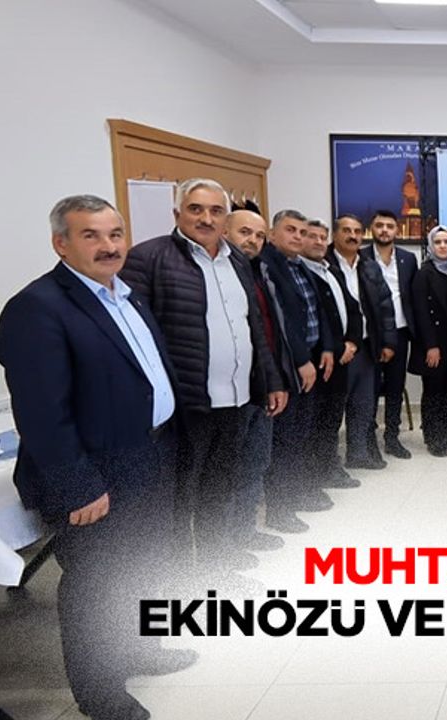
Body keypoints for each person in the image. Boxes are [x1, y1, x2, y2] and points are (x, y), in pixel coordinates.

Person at [0, 195, 194, 720]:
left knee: (146, 564)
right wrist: (78, 486)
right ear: (60, 243)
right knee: (96, 585)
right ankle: (99, 692)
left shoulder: (127, 297)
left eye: (115, 234)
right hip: (97, 476)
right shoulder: (37, 308)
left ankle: (142, 649)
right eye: (91, 235)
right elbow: (41, 413)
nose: (108, 246)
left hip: (150, 457)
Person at [119, 179, 284, 576]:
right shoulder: (148, 258)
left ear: (226, 217)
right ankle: (183, 582)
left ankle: (216, 572)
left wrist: (271, 380)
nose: (206, 218)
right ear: (177, 213)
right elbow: (135, 337)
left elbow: (252, 327)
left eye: (215, 210)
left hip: (236, 399)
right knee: (180, 500)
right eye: (196, 209)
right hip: (187, 406)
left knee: (219, 491)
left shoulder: (237, 259)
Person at [257, 209, 335, 532]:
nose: (298, 237)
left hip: (312, 360)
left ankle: (298, 493)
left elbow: (318, 310)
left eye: (302, 232)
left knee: (302, 433)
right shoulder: (267, 266)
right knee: (286, 439)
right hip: (288, 365)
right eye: (291, 230)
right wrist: (302, 360)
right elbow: (282, 319)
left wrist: (326, 348)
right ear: (272, 234)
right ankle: (280, 509)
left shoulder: (300, 266)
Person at [224, 204, 290, 553]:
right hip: (228, 391)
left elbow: (265, 335)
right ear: (224, 232)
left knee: (255, 463)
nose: (252, 240)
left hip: (259, 384)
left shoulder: (257, 273)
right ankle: (227, 546)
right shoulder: (220, 276)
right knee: (229, 469)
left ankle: (245, 532)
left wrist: (274, 382)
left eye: (259, 235)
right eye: (244, 232)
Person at [328, 213, 397, 469]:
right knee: (333, 409)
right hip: (338, 351)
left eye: (357, 231)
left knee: (363, 405)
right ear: (334, 234)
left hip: (367, 348)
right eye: (346, 230)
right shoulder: (324, 264)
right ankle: (328, 464)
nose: (353, 236)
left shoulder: (368, 266)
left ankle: (357, 454)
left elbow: (385, 305)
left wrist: (388, 342)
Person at [301, 218, 362, 487]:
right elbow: (317, 320)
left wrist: (352, 343)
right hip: (318, 360)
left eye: (321, 237)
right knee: (315, 420)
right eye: (311, 236)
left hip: (342, 358)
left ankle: (329, 469)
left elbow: (352, 309)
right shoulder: (303, 273)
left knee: (332, 417)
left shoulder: (331, 271)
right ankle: (314, 475)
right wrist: (337, 348)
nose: (317, 241)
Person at [361, 209, 419, 459]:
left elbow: (412, 296)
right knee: (370, 388)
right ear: (372, 229)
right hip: (371, 335)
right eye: (380, 225)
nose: (384, 230)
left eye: (389, 226)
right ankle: (368, 438)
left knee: (395, 387)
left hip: (401, 331)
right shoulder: (361, 257)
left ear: (397, 230)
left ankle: (392, 438)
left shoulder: (408, 259)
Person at [410, 225, 447, 456]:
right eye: (438, 242)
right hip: (432, 344)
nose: (442, 246)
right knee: (433, 392)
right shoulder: (424, 274)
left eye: (446, 242)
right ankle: (433, 438)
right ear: (431, 246)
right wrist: (431, 345)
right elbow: (421, 312)